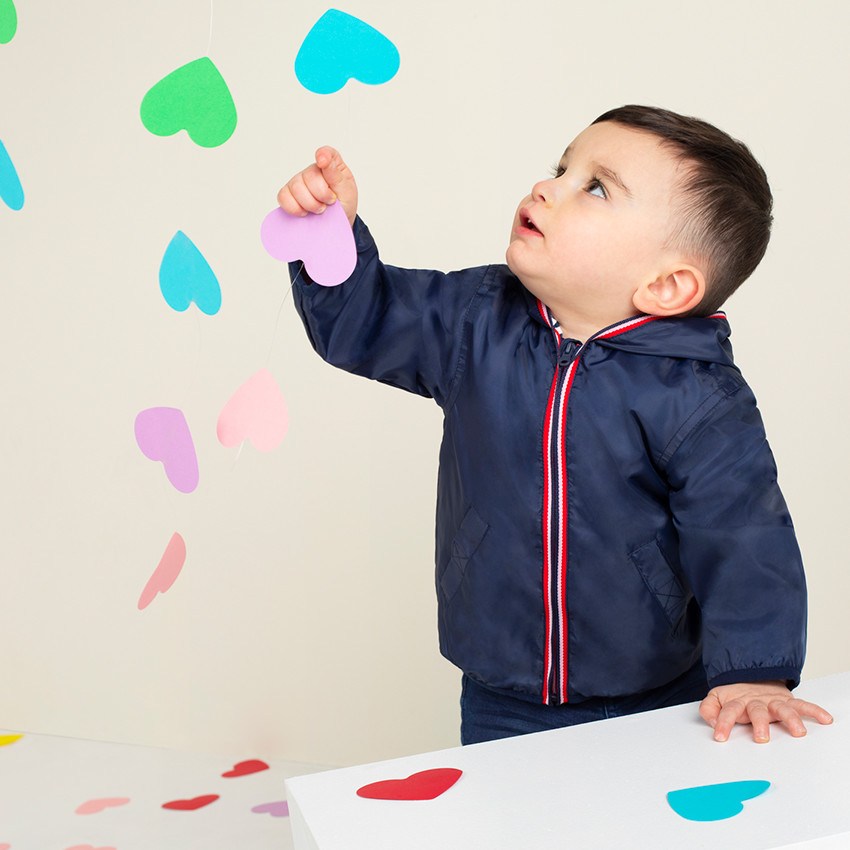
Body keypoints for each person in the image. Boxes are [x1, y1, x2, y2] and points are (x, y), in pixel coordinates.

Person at [277, 105, 833, 745]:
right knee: (509, 807)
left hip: (655, 691)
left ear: (667, 285)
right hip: (502, 692)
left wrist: (756, 675)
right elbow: (366, 323)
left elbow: (743, 533)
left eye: (595, 188)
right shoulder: (475, 322)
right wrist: (328, 239)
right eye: (561, 169)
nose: (547, 188)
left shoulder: (696, 394)